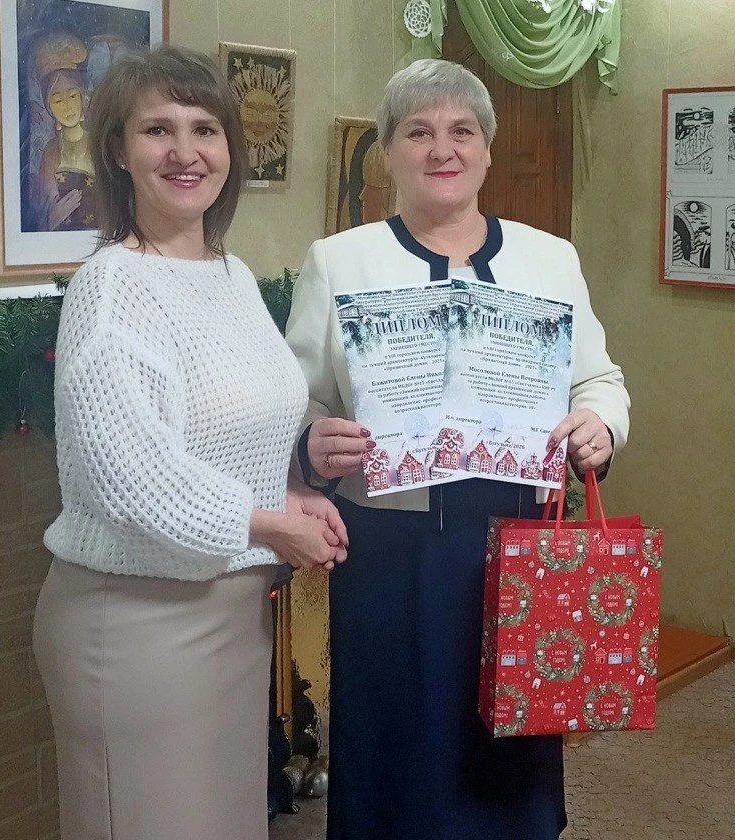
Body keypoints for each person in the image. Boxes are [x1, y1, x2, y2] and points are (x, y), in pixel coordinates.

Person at [285, 58, 630, 840]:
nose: (442, 149)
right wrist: (310, 440)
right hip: (388, 552)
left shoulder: (550, 258)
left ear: (486, 147)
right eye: (418, 132)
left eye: (462, 131)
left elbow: (599, 381)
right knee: (394, 753)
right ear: (388, 150)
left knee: (506, 754)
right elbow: (298, 398)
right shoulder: (338, 261)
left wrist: (599, 424)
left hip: (515, 547)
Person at [33, 44, 347, 840]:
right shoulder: (111, 287)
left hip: (233, 618)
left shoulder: (230, 276)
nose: (185, 151)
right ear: (117, 151)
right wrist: (272, 524)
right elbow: (130, 479)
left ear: (230, 149)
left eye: (205, 129)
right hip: (141, 625)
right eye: (158, 130)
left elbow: (234, 433)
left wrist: (291, 491)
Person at [33, 34, 96, 231]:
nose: (67, 106)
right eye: (58, 100)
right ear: (49, 107)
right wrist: (54, 217)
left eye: (73, 95)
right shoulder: (51, 152)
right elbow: (46, 210)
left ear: (83, 97)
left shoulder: (99, 144)